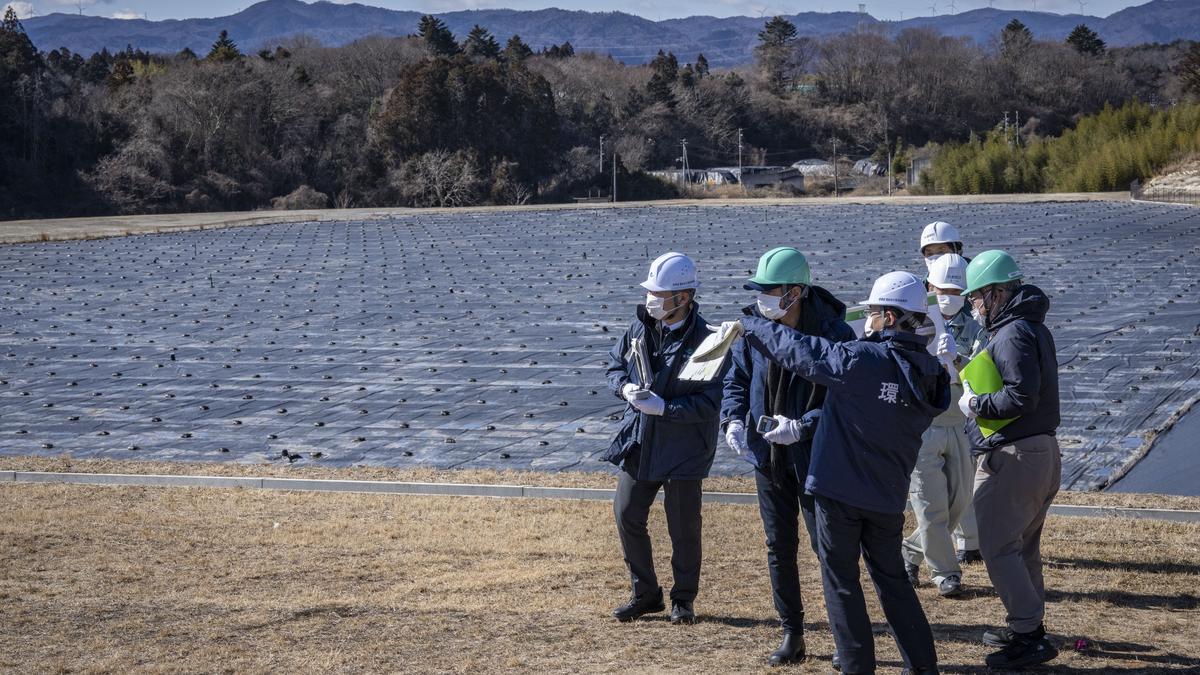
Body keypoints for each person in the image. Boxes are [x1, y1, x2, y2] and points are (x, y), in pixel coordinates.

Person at [712, 270, 950, 675]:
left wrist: (750, 325)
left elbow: (802, 352)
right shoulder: (931, 374)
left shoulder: (865, 360)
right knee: (893, 582)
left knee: (841, 582)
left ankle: (857, 666)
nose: (868, 319)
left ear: (891, 317)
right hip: (887, 494)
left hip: (840, 491)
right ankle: (923, 667)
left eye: (874, 312)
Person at [719, 247, 855, 665]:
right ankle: (792, 632)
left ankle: (843, 638)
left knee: (827, 548)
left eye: (769, 290)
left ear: (796, 292)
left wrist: (803, 426)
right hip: (768, 458)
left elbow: (844, 398)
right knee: (779, 545)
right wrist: (733, 421)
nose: (762, 298)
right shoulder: (756, 330)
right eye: (758, 291)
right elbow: (737, 379)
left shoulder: (834, 336)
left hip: (816, 458)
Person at [603, 251, 729, 626]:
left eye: (658, 294)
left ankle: (683, 599)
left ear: (683, 297)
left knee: (683, 527)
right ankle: (645, 594)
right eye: (649, 292)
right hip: (641, 439)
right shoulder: (639, 327)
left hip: (685, 448)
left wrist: (665, 408)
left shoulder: (709, 341)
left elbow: (711, 402)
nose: (650, 300)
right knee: (626, 513)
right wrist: (624, 388)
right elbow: (613, 365)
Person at [959, 250, 1061, 669]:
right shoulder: (1029, 327)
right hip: (1039, 451)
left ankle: (1029, 635)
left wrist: (975, 404)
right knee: (1023, 548)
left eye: (976, 298)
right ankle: (1026, 627)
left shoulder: (1013, 332)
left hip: (1016, 454)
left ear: (997, 293)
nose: (973, 306)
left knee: (998, 546)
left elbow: (1020, 395)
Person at [901, 254, 988, 598]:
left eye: (957, 290)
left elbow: (983, 373)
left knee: (958, 502)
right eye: (942, 289)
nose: (949, 296)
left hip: (960, 424)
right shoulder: (915, 324)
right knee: (929, 504)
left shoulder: (977, 327)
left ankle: (908, 553)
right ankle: (945, 573)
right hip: (923, 426)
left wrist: (959, 360)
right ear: (929, 288)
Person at [918, 221, 981, 564]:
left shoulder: (972, 286)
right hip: (932, 404)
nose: (936, 256)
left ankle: (969, 541)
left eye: (942, 250)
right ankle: (950, 544)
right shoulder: (922, 292)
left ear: (957, 248)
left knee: (964, 476)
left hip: (967, 397)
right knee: (934, 486)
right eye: (929, 252)